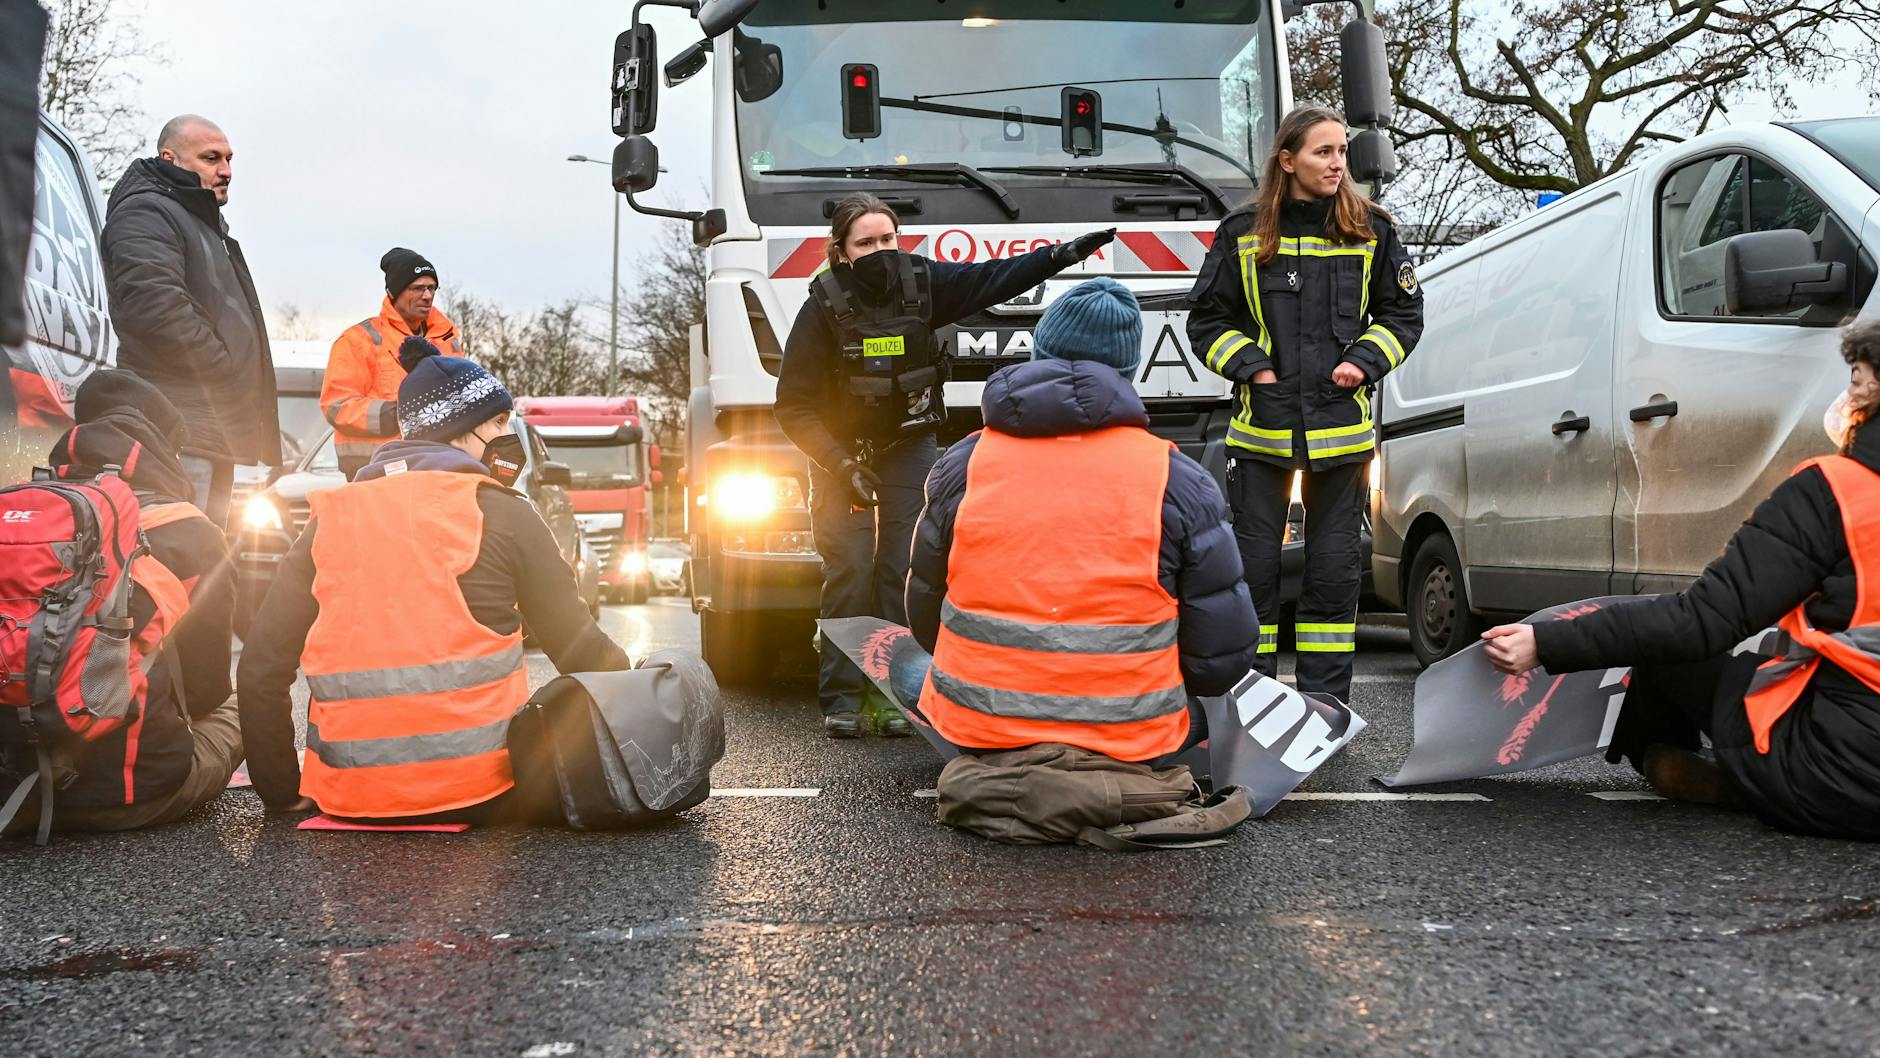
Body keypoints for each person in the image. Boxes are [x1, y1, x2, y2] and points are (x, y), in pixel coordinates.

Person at [1482, 320, 1880, 841]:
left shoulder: (1838, 491)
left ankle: (1699, 769)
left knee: (1671, 648)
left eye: (1854, 378)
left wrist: (1545, 641)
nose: (1847, 393)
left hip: (1842, 779)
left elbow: (1700, 622)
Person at [237, 342, 631, 824]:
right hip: (484, 793)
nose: (508, 437)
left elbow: (261, 666)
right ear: (462, 431)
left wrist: (281, 792)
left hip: (348, 797)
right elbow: (581, 652)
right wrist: (639, 686)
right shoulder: (504, 513)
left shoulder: (329, 519)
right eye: (500, 423)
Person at [776, 190, 1116, 738]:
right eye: (866, 242)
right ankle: (841, 696)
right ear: (841, 253)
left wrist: (1062, 255)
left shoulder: (925, 285)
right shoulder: (821, 308)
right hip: (841, 453)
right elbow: (792, 405)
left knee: (900, 569)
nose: (881, 250)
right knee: (849, 569)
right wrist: (840, 465)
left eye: (889, 239)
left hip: (908, 444)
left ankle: (893, 692)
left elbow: (996, 278)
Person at [897, 278, 1259, 762]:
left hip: (982, 726)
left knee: (908, 670)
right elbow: (1222, 655)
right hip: (1129, 735)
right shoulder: (1178, 478)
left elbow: (924, 613)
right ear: (1129, 371)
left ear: (1037, 353)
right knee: (1220, 704)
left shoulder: (962, 465)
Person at [1186, 106, 1424, 705]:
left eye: (1342, 151)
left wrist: (1364, 360)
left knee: (1334, 577)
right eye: (1323, 152)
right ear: (1287, 161)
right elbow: (1208, 321)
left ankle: (1323, 710)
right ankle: (1252, 705)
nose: (1338, 163)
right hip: (1261, 437)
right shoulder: (1241, 233)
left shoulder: (1373, 229)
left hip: (1341, 442)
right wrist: (1252, 367)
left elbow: (1404, 315)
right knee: (1252, 573)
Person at [4, 370, 242, 833]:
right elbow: (207, 688)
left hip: (14, 790)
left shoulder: (20, 513)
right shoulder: (190, 530)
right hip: (134, 792)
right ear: (161, 446)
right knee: (241, 705)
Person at [102, 114, 280, 528]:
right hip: (180, 425)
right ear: (171, 158)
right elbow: (155, 306)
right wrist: (224, 367)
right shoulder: (146, 212)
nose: (226, 171)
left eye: (229, 159)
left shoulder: (197, 220)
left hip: (207, 425)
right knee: (179, 560)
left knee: (204, 564)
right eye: (211, 158)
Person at [322, 248, 465, 479]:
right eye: (417, 288)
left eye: (432, 288)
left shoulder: (449, 341)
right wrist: (402, 414)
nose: (427, 296)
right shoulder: (358, 340)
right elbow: (337, 406)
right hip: (372, 469)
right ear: (394, 292)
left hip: (436, 466)